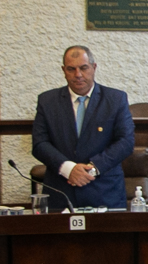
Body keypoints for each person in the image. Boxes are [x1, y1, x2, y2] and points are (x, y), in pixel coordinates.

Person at [31, 45, 135, 210]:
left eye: (83, 68)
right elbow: (39, 144)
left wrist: (91, 169)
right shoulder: (47, 101)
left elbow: (126, 142)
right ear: (63, 70)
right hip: (61, 192)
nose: (78, 74)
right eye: (71, 69)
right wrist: (69, 169)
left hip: (104, 191)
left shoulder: (116, 99)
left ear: (94, 67)